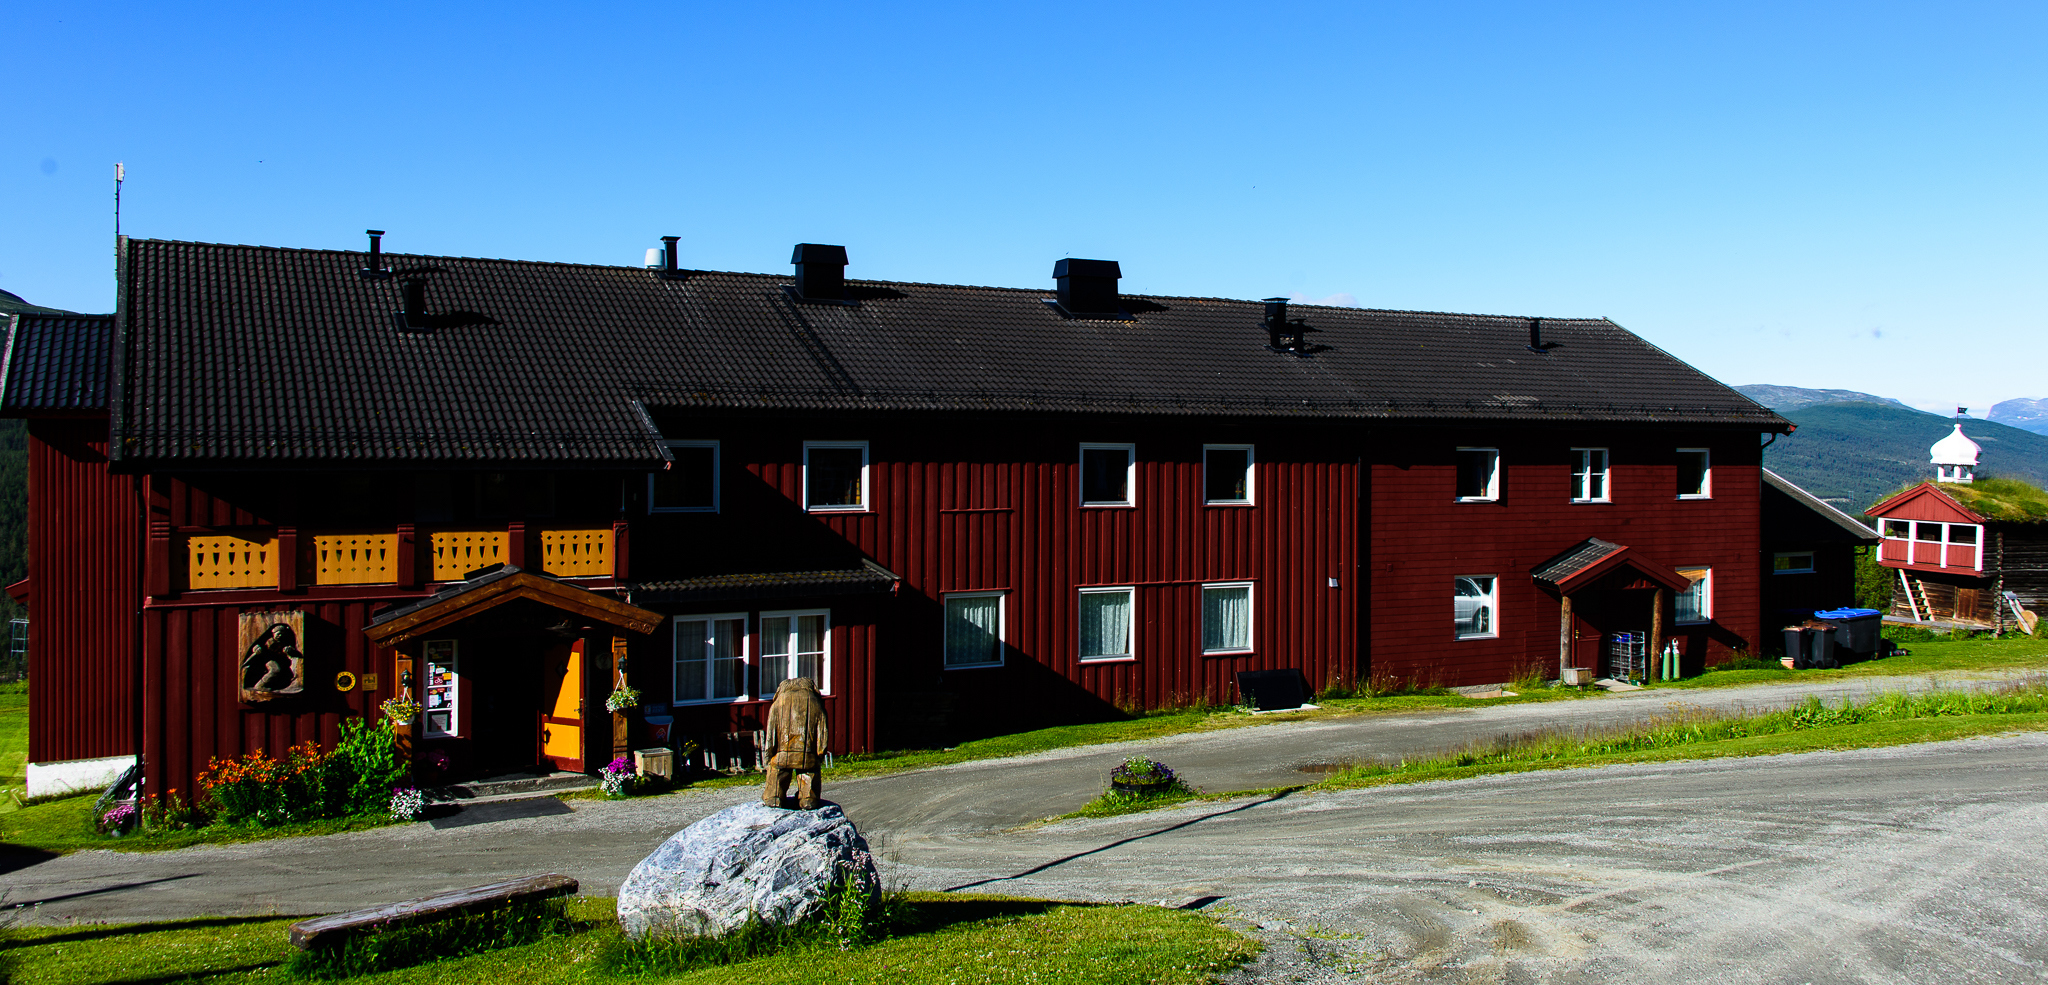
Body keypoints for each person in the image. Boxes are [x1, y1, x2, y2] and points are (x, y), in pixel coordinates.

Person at [761, 677, 828, 809]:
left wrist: (769, 753)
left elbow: (771, 733)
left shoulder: (778, 703)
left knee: (777, 774)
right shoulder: (816, 703)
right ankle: (808, 799)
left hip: (782, 754)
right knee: (809, 774)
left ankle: (775, 797)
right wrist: (820, 753)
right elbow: (823, 732)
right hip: (808, 755)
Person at [240, 623, 304, 694]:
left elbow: (288, 652)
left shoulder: (283, 643)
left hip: (279, 660)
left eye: (282, 634)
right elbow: (260, 648)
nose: (280, 636)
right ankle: (260, 685)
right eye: (278, 634)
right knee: (275, 669)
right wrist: (256, 649)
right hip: (267, 659)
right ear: (273, 633)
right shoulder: (270, 642)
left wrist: (289, 651)